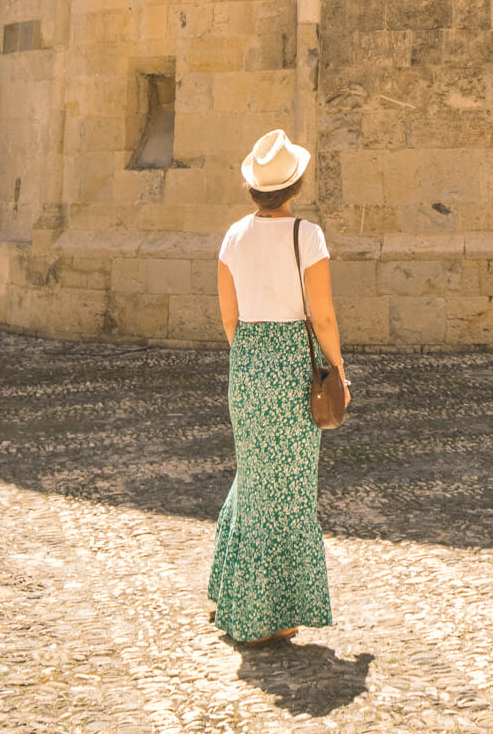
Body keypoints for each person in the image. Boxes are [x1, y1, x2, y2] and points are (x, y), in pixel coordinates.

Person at [207, 128, 351, 646]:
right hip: (294, 365)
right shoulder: (306, 235)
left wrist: (251, 358)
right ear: (294, 185)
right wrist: (337, 369)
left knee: (253, 478)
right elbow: (325, 315)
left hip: (247, 362)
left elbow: (229, 316)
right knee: (288, 489)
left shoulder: (232, 235)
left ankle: (231, 592)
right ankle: (267, 615)